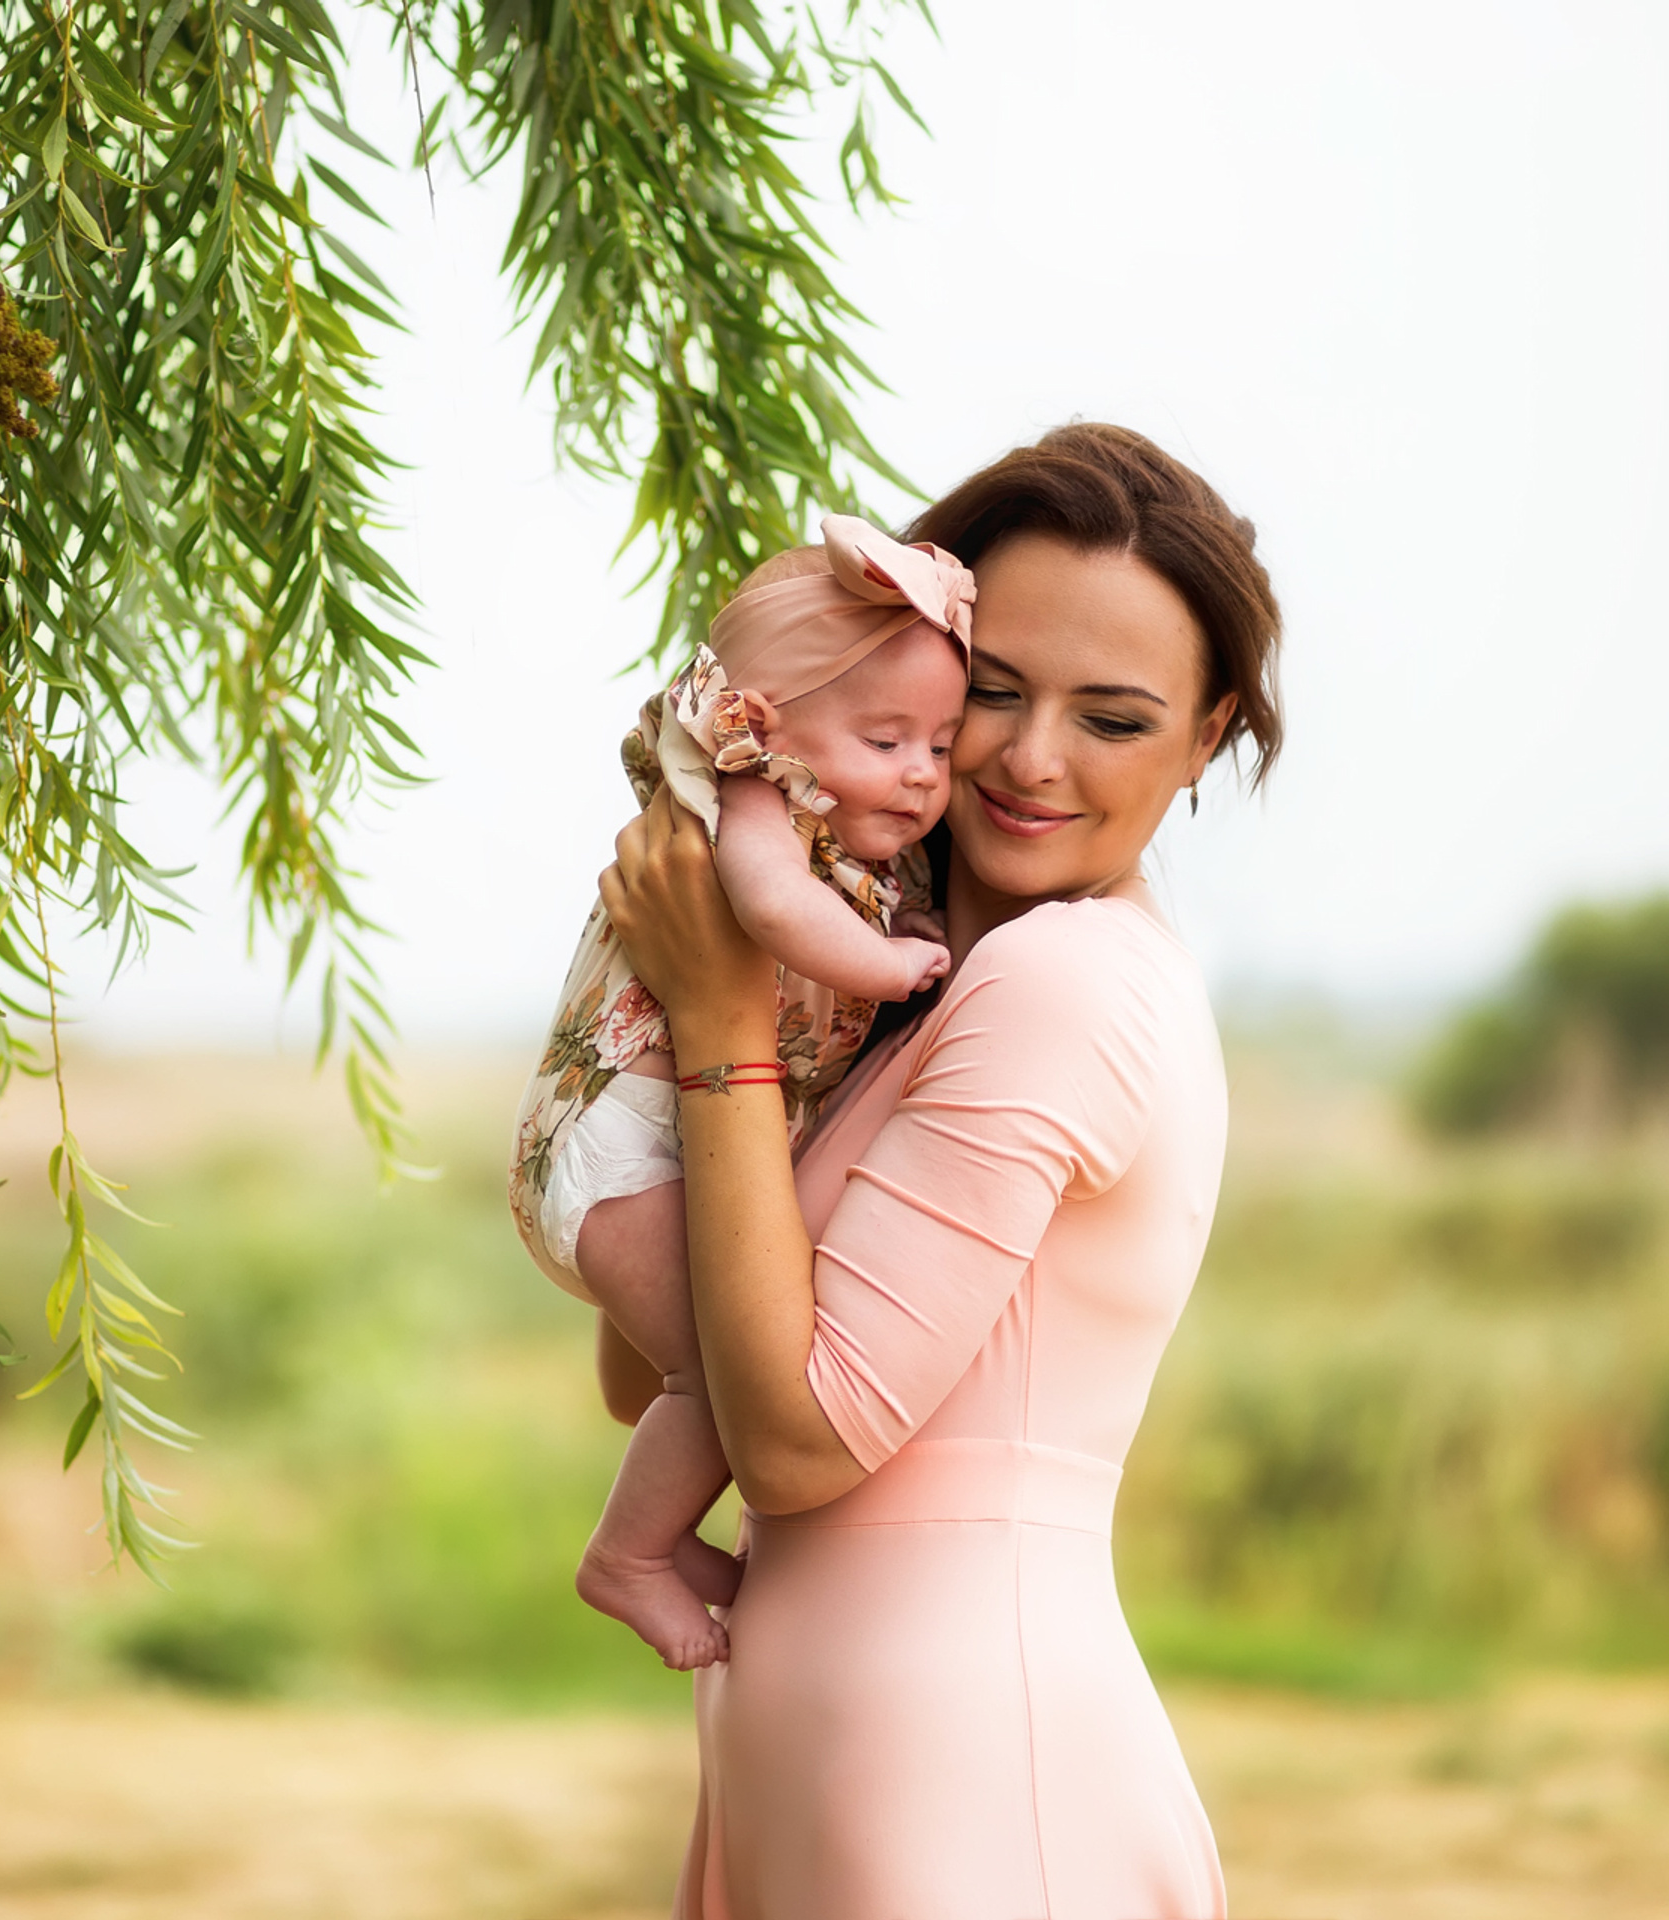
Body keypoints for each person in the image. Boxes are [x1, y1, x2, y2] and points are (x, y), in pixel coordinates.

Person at [599, 422, 1282, 1918]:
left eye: (1112, 718)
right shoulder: (918, 993)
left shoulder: (1070, 984)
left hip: (972, 1774)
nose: (1031, 761)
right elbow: (659, 1362)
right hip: (822, 1755)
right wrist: (739, 992)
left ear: (1210, 731)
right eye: (991, 691)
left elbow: (789, 1440)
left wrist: (718, 1019)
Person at [509, 517, 975, 1669]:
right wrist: (897, 963)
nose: (922, 772)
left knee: (722, 1371)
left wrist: (894, 922)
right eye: (886, 738)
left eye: (943, 744)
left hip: (644, 1160)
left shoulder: (842, 844)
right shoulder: (752, 798)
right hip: (621, 1159)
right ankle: (625, 1558)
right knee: (733, 1377)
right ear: (766, 722)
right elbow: (771, 911)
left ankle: (673, 1545)